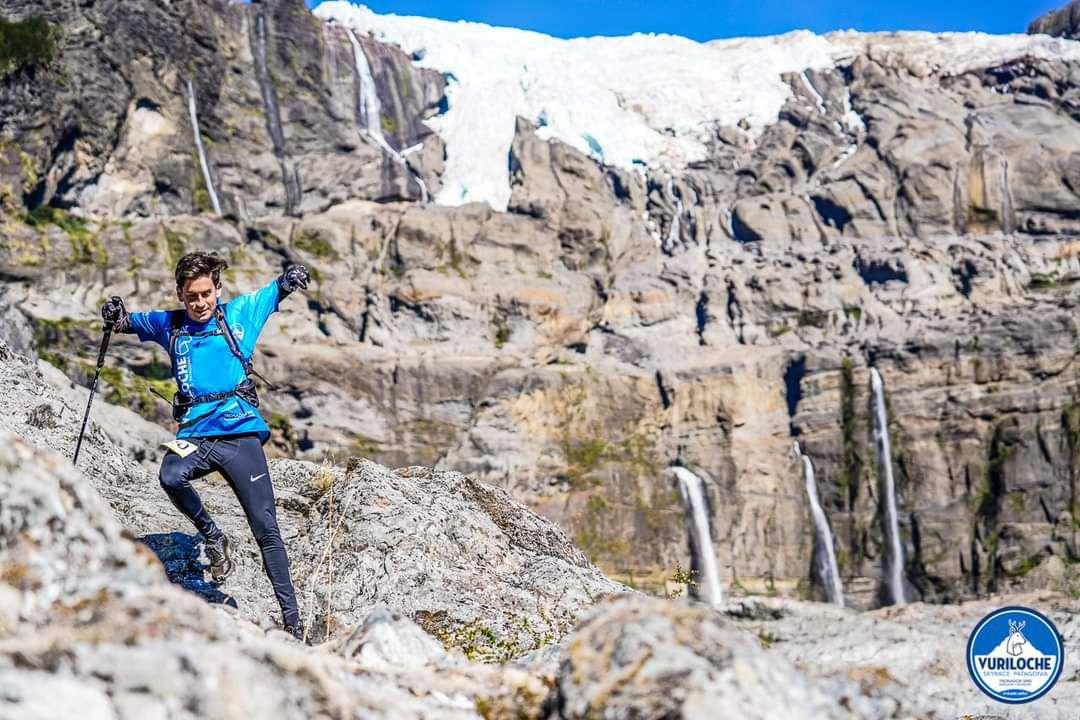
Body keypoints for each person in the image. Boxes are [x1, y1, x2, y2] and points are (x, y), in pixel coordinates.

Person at [101, 251, 310, 640]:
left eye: (206, 294)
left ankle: (294, 622)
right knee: (170, 474)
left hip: (241, 434)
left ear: (218, 288)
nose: (199, 303)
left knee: (266, 527)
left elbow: (276, 289)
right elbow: (126, 321)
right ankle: (213, 536)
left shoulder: (241, 313)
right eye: (191, 296)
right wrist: (113, 313)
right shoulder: (171, 325)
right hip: (196, 436)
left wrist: (292, 277)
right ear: (180, 294)